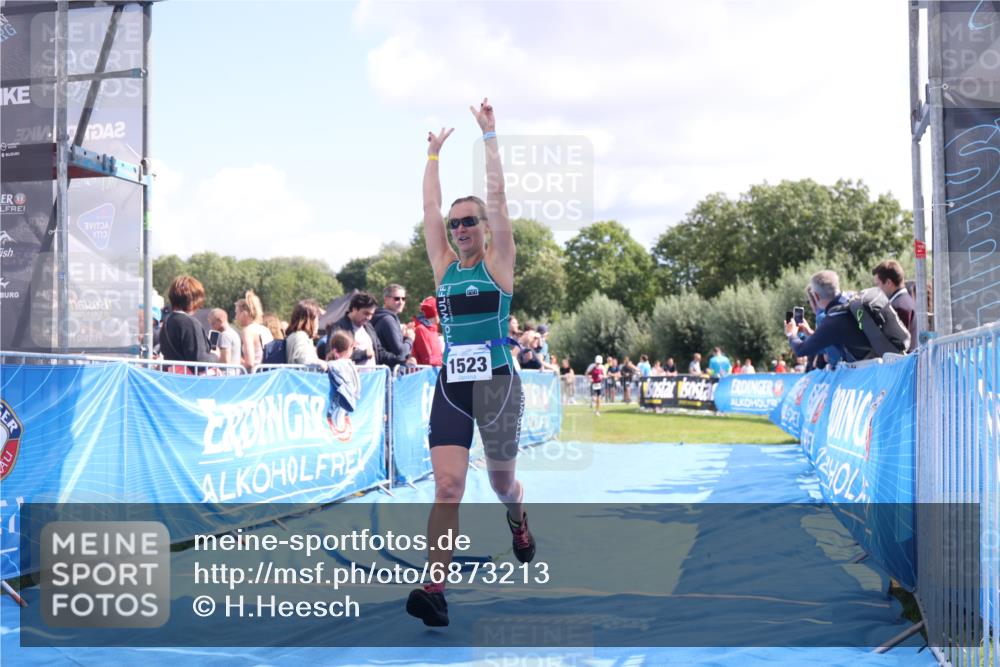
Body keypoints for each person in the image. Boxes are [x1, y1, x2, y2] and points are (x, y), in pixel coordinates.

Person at [406, 99, 532, 628]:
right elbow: (429, 208)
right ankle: (435, 586)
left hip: (499, 384)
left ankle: (518, 519)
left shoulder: (499, 265)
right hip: (453, 385)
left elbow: (499, 199)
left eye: (467, 222)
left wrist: (489, 135)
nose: (458, 229)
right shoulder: (442, 267)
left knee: (503, 485)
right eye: (454, 223)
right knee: (448, 486)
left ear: (484, 228)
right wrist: (433, 156)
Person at [785, 270, 871, 364]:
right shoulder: (854, 298)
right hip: (881, 363)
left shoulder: (833, 319)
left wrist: (791, 334)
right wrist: (809, 333)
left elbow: (800, 350)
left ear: (816, 296)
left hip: (864, 372)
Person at [159, 275, 217, 368]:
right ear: (194, 299)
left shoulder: (167, 322)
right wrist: (215, 356)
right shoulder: (190, 324)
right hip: (189, 380)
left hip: (171, 378)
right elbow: (200, 361)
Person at [873, 259, 917, 352]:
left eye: (877, 285)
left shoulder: (898, 306)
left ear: (888, 283)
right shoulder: (905, 301)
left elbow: (898, 345)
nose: (876, 289)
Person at [329, 292, 383, 368]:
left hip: (371, 378)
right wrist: (363, 354)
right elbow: (333, 355)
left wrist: (401, 358)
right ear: (354, 309)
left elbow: (380, 352)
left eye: (371, 314)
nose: (369, 318)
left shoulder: (369, 327)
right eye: (366, 313)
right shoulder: (338, 328)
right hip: (350, 377)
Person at [372, 283, 416, 370]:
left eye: (403, 299)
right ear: (385, 299)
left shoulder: (388, 318)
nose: (401, 302)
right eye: (397, 298)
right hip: (388, 373)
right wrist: (409, 339)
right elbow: (401, 353)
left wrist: (403, 337)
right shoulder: (387, 320)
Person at [235, 290, 273, 370]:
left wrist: (236, 366)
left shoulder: (247, 331)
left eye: (237, 313)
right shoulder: (265, 329)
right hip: (267, 374)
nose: (236, 317)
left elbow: (250, 362)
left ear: (244, 313)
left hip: (254, 377)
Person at [285, 299, 327, 370]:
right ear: (309, 320)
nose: (318, 323)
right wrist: (321, 363)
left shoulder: (298, 335)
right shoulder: (300, 336)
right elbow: (304, 359)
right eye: (317, 319)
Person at [412, 296, 444, 366]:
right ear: (435, 312)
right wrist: (446, 359)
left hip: (435, 374)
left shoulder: (433, 330)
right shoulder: (420, 330)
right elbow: (428, 360)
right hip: (424, 375)